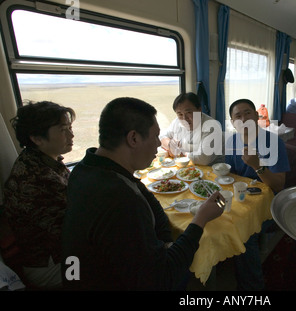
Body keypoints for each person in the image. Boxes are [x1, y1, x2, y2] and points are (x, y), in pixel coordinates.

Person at [61, 97, 224, 290]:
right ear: (133, 138)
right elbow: (162, 278)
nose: (158, 144)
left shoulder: (84, 169)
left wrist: (166, 243)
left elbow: (145, 199)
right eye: (155, 137)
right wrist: (200, 219)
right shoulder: (120, 200)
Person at [3, 101, 75, 289]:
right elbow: (74, 233)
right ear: (37, 138)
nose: (71, 134)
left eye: (70, 128)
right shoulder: (38, 179)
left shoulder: (42, 160)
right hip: (54, 266)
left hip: (59, 253)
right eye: (62, 130)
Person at [225, 98, 290, 290]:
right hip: (242, 198)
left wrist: (257, 166)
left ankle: (252, 287)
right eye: (238, 115)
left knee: (244, 233)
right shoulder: (232, 141)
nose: (243, 118)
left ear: (256, 116)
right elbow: (231, 175)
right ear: (232, 122)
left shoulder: (273, 142)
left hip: (270, 203)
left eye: (247, 113)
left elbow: (279, 185)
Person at [159, 92, 225, 165]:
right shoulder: (177, 122)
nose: (184, 118)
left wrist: (181, 153)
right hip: (187, 168)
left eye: (189, 112)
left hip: (211, 171)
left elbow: (204, 159)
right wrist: (170, 145)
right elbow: (162, 137)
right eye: (180, 114)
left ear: (199, 110)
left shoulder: (211, 127)